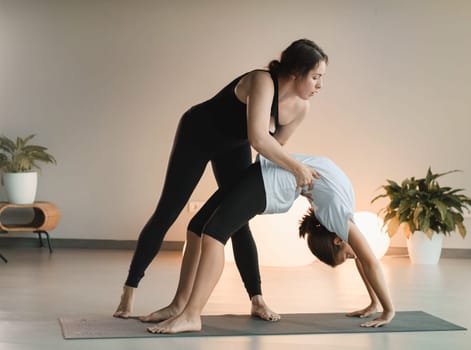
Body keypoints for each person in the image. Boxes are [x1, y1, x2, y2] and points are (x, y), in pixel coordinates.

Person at [113, 39, 328, 321]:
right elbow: (260, 138)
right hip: (198, 135)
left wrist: (262, 189)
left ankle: (257, 299)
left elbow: (271, 153)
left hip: (233, 145)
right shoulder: (262, 81)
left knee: (237, 220)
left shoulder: (301, 108)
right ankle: (128, 292)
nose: (319, 86)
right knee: (168, 211)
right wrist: (298, 168)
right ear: (296, 72)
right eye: (315, 77)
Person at [146, 154, 396, 334]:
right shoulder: (337, 215)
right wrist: (387, 310)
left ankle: (188, 311)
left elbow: (364, 260)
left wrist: (375, 302)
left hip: (264, 175)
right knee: (202, 229)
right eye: (348, 257)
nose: (355, 257)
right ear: (338, 240)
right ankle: (185, 310)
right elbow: (370, 261)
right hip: (268, 183)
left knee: (210, 231)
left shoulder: (336, 216)